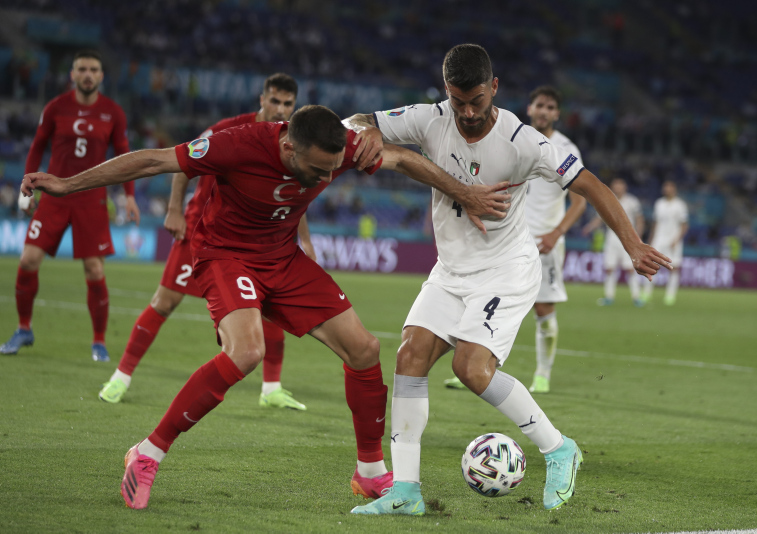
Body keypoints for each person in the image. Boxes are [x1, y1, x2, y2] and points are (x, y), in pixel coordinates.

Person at [21, 104, 511, 510]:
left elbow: (401, 159)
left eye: (332, 168)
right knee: (246, 352)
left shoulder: (338, 148)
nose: (326, 177)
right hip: (224, 254)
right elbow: (152, 161)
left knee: (364, 349)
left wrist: (464, 193)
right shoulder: (236, 145)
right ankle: (147, 453)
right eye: (318, 170)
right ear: (288, 148)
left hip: (282, 257)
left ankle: (370, 472)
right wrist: (66, 184)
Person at [345, 44, 670, 515]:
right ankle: (406, 492)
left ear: (494, 87)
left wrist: (633, 244)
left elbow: (590, 185)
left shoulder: (523, 141)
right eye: (458, 101)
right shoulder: (429, 119)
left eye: (477, 100)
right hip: (451, 270)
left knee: (471, 368)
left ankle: (559, 448)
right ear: (446, 91)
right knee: (409, 357)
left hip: (506, 269)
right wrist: (363, 131)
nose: (468, 112)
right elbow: (357, 121)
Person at [99, 73, 312, 410]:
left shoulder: (292, 143)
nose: (281, 109)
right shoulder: (229, 129)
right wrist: (175, 211)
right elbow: (183, 164)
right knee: (164, 302)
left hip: (254, 242)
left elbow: (292, 197)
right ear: (262, 99)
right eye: (275, 100)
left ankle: (271, 389)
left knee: (270, 311)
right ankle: (120, 378)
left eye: (288, 103)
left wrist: (305, 242)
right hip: (203, 232)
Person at [442, 85, 586, 394]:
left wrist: (556, 233)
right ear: (530, 108)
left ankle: (543, 374)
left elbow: (580, 201)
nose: (544, 111)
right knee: (480, 302)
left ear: (557, 114)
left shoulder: (566, 148)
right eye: (540, 105)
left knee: (543, 309)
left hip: (545, 242)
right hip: (505, 240)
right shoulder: (512, 138)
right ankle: (473, 368)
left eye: (550, 107)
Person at [0, 50, 139, 361]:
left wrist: (129, 195)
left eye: (93, 69)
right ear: (72, 74)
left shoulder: (113, 112)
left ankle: (99, 342)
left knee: (94, 269)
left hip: (92, 199)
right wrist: (27, 187)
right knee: (28, 260)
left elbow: (124, 154)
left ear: (101, 75)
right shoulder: (55, 107)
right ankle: (23, 328)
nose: (88, 74)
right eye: (82, 69)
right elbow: (37, 146)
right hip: (54, 196)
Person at [583, 178, 645, 307]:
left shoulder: (632, 201)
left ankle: (636, 297)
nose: (618, 188)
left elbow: (639, 219)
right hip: (612, 238)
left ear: (625, 187)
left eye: (620, 185)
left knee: (630, 269)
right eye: (616, 186)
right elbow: (599, 218)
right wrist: (589, 227)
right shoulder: (607, 200)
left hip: (628, 238)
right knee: (609, 268)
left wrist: (638, 237)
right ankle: (609, 296)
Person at [642, 180, 688, 305]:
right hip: (659, 239)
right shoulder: (659, 203)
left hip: (673, 240)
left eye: (669, 187)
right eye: (665, 187)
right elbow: (655, 223)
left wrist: (677, 240)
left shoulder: (680, 205)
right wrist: (651, 240)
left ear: (674, 189)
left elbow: (684, 225)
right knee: (651, 265)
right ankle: (646, 293)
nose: (667, 189)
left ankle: (670, 296)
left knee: (674, 268)